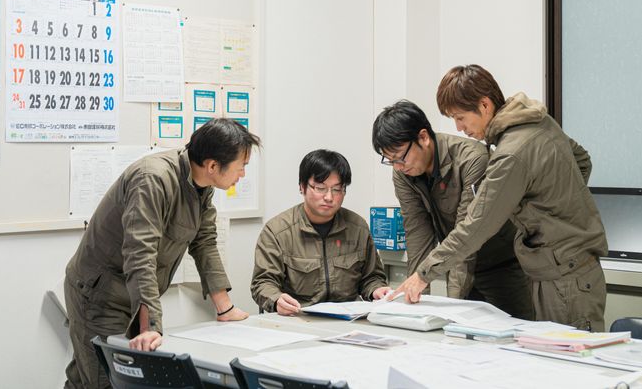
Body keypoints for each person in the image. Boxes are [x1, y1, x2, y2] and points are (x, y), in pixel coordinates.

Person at [392, 64, 609, 331]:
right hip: (567, 267)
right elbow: (582, 161)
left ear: (484, 105)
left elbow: (476, 226)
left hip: (562, 276)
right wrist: (554, 208)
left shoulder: (510, 154)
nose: (459, 128)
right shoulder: (539, 123)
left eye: (460, 117)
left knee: (569, 354)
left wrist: (424, 274)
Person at [64, 118, 260, 388]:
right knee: (106, 380)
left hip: (130, 293)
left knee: (85, 377)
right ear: (213, 165)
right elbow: (140, 253)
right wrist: (150, 327)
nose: (243, 174)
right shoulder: (153, 179)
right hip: (101, 295)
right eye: (242, 166)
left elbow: (204, 241)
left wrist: (224, 308)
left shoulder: (201, 185)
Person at [372, 100, 533, 320]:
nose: (398, 166)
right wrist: (413, 303)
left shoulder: (472, 159)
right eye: (390, 161)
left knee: (513, 332)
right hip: (454, 260)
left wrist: (453, 308)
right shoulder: (403, 173)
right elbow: (417, 233)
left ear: (423, 137)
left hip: (502, 267)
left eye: (400, 157)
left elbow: (467, 232)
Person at [251, 149, 391, 315]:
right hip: (299, 317)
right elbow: (263, 283)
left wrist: (376, 290)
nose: (329, 197)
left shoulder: (358, 227)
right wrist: (276, 300)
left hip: (349, 319)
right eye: (320, 188)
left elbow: (372, 277)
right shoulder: (277, 231)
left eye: (337, 189)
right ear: (302, 187)